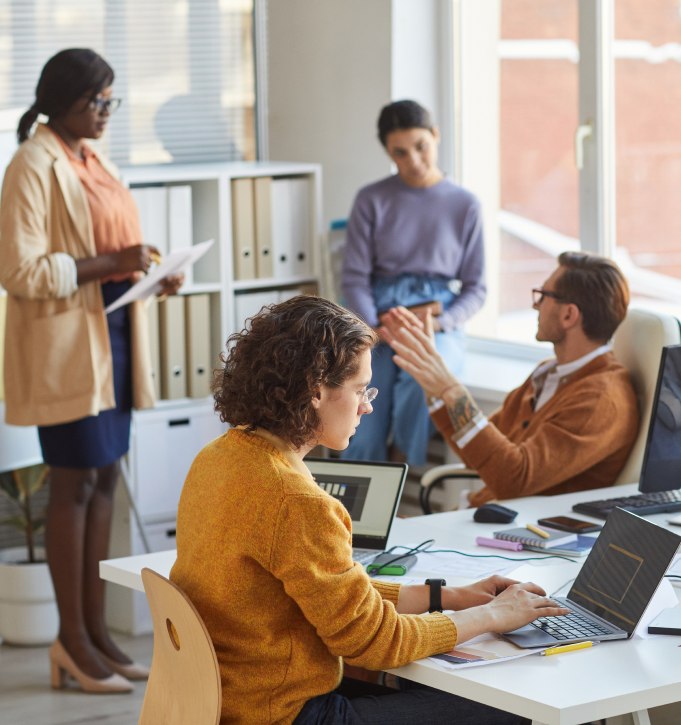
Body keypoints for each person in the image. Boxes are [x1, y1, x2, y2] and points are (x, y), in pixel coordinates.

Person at [170, 295, 568, 725]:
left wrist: (447, 596)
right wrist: (493, 614)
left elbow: (332, 598)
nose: (368, 406)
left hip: (226, 701)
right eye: (361, 390)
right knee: (513, 705)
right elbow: (377, 642)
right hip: (285, 715)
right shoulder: (296, 501)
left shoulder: (217, 457)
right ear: (317, 390)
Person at [0, 49, 183, 693]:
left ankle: (99, 634)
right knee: (74, 482)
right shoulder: (31, 163)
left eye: (112, 101)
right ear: (62, 102)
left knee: (106, 478)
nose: (106, 113)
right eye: (96, 102)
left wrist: (149, 270)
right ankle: (71, 641)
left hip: (115, 331)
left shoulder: (91, 155)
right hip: (68, 343)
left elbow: (110, 247)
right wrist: (113, 264)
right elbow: (19, 271)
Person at [380, 252, 639, 508]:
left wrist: (451, 390)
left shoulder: (600, 400)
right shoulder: (548, 374)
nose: (535, 305)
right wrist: (433, 386)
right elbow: (477, 455)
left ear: (569, 315)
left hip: (522, 536)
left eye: (543, 296)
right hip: (483, 519)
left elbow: (514, 479)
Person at [341, 100, 485, 466]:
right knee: (354, 393)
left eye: (421, 146)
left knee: (420, 385)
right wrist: (373, 328)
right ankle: (359, 496)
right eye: (400, 153)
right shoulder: (371, 199)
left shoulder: (465, 204)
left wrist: (438, 324)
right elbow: (355, 277)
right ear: (388, 153)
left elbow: (476, 288)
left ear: (436, 136)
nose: (414, 160)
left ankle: (398, 470)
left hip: (436, 315)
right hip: (377, 313)